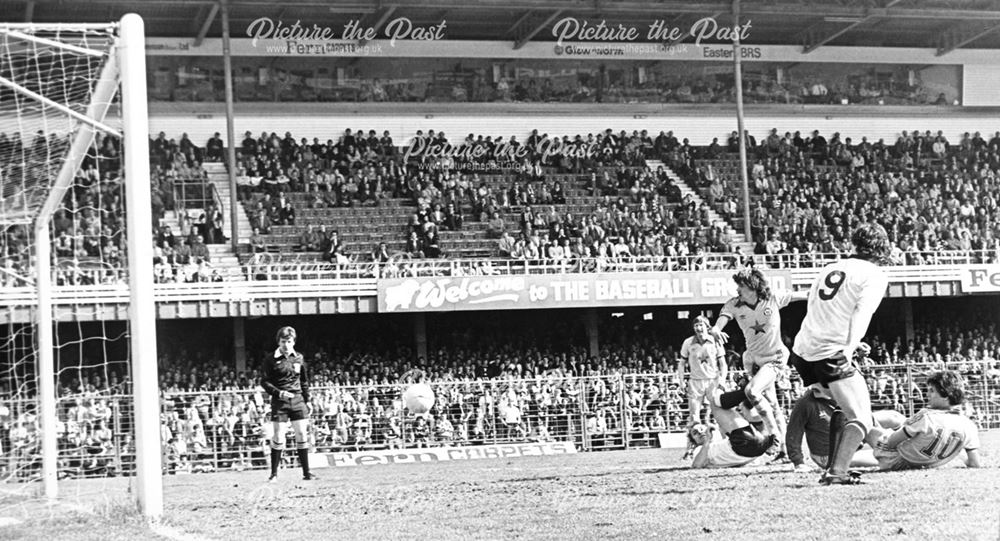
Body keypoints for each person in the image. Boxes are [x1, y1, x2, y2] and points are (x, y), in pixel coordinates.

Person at [790, 222, 891, 485]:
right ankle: (837, 473)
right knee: (860, 416)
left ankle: (847, 463)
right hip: (829, 352)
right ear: (882, 249)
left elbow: (816, 305)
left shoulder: (831, 267)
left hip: (803, 351)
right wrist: (849, 345)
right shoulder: (875, 274)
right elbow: (862, 313)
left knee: (848, 409)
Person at [710, 268, 807, 458]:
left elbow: (803, 295)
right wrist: (714, 330)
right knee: (772, 404)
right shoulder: (734, 305)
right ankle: (785, 450)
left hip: (775, 358)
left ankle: (774, 437)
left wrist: (824, 295)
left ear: (753, 286)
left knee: (752, 392)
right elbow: (718, 324)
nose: (737, 289)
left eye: (741, 285)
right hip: (753, 360)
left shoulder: (772, 299)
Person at [868, 370, 982, 471]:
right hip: (929, 463)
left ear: (945, 396)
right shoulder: (969, 425)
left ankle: (857, 426)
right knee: (895, 416)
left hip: (896, 460)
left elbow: (892, 441)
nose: (927, 394)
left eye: (932, 391)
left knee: (866, 426)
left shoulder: (926, 416)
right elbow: (974, 463)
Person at [785, 383, 905, 471]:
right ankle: (911, 452)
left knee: (894, 416)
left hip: (853, 443)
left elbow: (867, 420)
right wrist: (798, 462)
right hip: (829, 455)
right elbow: (793, 433)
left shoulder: (842, 395)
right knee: (892, 458)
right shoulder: (806, 403)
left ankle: (917, 438)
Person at [260, 326, 317, 481]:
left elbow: (304, 381)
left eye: (289, 341)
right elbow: (264, 382)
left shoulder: (299, 357)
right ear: (278, 342)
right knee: (278, 436)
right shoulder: (270, 359)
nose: (286, 344)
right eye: (283, 341)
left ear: (294, 342)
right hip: (280, 402)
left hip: (298, 400)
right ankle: (273, 474)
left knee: (301, 434)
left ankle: (306, 473)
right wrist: (278, 393)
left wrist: (307, 399)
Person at [690, 387, 778, 469]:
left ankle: (751, 391)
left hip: (755, 445)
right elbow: (697, 465)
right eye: (695, 433)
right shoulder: (698, 450)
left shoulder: (721, 441)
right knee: (714, 402)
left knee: (745, 407)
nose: (700, 432)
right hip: (747, 443)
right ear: (694, 441)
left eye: (701, 429)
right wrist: (707, 442)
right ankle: (749, 389)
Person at [678, 315, 728, 458]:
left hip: (712, 381)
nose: (698, 328)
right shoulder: (688, 342)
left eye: (701, 325)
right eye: (696, 326)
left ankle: (728, 445)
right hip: (695, 382)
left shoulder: (715, 341)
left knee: (720, 414)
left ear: (707, 326)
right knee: (694, 418)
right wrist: (681, 381)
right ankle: (690, 450)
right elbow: (681, 363)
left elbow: (723, 364)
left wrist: (722, 382)